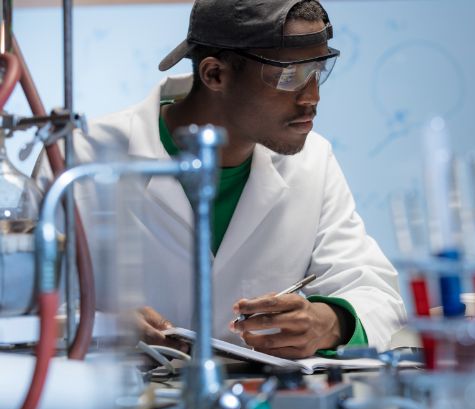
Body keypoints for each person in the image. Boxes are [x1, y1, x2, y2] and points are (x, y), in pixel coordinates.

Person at [66, 0, 407, 358]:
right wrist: (103, 326)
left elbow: (373, 290)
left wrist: (329, 322)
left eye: (317, 71)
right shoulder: (83, 157)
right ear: (215, 74)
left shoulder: (313, 162)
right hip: (126, 405)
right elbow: (22, 309)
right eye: (290, 74)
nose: (312, 98)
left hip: (263, 405)